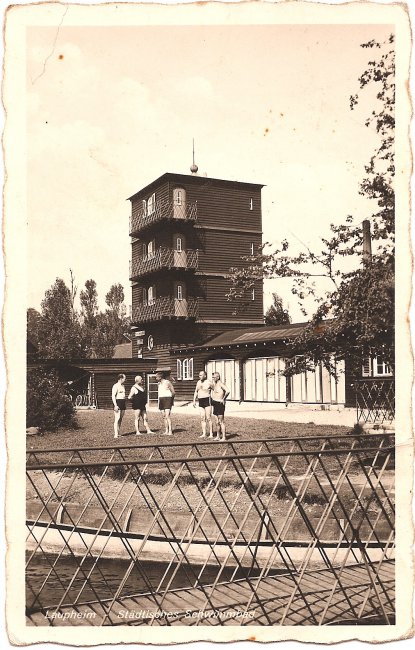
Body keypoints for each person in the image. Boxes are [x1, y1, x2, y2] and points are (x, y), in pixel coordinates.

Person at [193, 370, 214, 438]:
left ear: (205, 375)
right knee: (202, 417)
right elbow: (196, 391)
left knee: (208, 418)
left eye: (201, 375)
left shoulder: (209, 382)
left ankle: (211, 434)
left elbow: (215, 390)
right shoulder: (198, 382)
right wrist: (194, 400)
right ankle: (204, 433)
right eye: (199, 375)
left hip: (207, 400)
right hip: (200, 400)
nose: (200, 376)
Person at [211, 372, 230, 441]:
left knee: (221, 421)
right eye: (212, 377)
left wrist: (223, 399)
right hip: (215, 403)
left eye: (214, 377)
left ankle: (224, 437)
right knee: (216, 421)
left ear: (218, 377)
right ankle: (218, 436)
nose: (213, 378)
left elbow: (228, 391)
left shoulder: (221, 384)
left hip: (220, 403)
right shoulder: (215, 384)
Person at [157, 371, 175, 436]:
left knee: (167, 416)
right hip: (161, 399)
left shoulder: (167, 382)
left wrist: (171, 401)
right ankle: (166, 430)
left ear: (160, 377)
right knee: (164, 416)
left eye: (157, 377)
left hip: (167, 399)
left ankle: (170, 431)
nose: (156, 378)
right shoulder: (159, 384)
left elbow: (173, 392)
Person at [112, 373, 126, 439]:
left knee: (120, 418)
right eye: (124, 378)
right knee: (117, 419)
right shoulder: (115, 386)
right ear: (121, 379)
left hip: (123, 402)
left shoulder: (123, 386)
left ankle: (118, 432)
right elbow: (113, 396)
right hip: (118, 402)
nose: (125, 380)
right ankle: (115, 434)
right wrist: (115, 405)